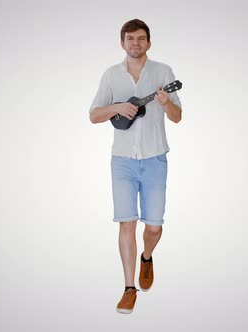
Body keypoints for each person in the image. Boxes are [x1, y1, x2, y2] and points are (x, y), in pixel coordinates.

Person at [89, 18, 182, 314]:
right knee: (126, 222)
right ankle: (129, 288)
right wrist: (117, 107)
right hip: (123, 161)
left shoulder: (163, 72)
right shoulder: (111, 75)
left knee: (153, 226)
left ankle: (147, 256)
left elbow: (178, 116)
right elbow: (94, 115)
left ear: (149, 43)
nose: (135, 43)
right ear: (122, 43)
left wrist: (166, 102)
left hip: (155, 158)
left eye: (141, 38)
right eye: (130, 39)